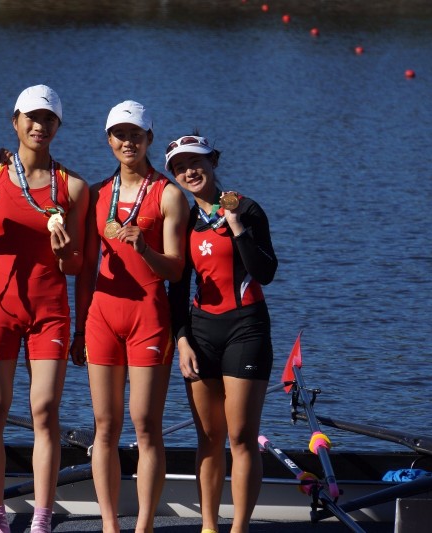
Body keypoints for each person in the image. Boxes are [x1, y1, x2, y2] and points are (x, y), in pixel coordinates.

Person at [0, 84, 89, 533]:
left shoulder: (72, 186)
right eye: (31, 118)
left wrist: (64, 249)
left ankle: (42, 513)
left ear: (58, 127)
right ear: (14, 121)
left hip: (49, 309)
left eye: (48, 119)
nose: (39, 126)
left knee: (45, 409)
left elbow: (74, 265)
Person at [70, 101, 188, 533]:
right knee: (105, 426)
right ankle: (108, 525)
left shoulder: (169, 194)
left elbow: (177, 269)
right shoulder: (98, 193)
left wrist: (145, 250)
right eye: (119, 134)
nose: (127, 141)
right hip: (103, 316)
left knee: (145, 424)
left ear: (149, 139)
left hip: (148, 317)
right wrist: (79, 326)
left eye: (136, 134)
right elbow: (84, 269)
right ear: (108, 140)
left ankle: (143, 526)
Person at [165, 133, 278, 533]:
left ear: (213, 162)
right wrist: (181, 341)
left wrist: (237, 227)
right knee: (208, 437)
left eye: (196, 163)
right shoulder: (183, 221)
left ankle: (239, 528)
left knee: (241, 436)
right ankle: (209, 526)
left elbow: (266, 272)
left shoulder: (246, 208)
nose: (189, 171)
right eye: (180, 167)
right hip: (200, 334)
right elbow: (176, 291)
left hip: (246, 328)